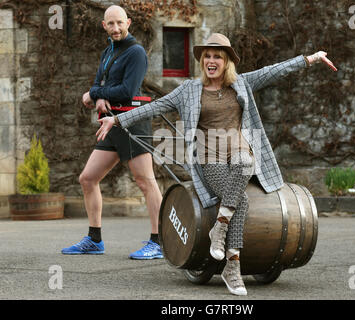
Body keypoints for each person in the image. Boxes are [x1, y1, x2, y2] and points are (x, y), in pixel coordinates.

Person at [96, 33, 337, 295]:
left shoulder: (241, 84)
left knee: (246, 161)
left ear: (226, 62)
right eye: (207, 56)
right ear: (203, 61)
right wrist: (117, 121)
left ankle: (220, 227)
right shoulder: (189, 90)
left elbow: (273, 71)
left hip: (238, 149)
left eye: (217, 57)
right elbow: (156, 107)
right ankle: (232, 267)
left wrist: (310, 59)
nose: (211, 61)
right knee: (240, 202)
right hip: (210, 156)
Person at [61, 5, 164, 260]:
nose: (116, 28)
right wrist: (97, 96)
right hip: (110, 123)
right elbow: (100, 83)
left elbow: (127, 91)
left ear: (128, 22)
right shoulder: (108, 52)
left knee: (145, 181)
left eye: (120, 23)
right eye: (111, 24)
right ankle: (94, 240)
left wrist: (94, 94)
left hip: (132, 123)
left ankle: (159, 242)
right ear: (104, 26)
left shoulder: (136, 52)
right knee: (87, 178)